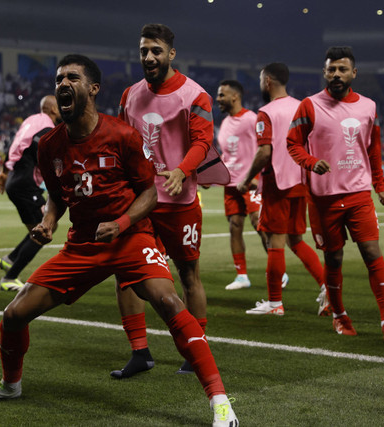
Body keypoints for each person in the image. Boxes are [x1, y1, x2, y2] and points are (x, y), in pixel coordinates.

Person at [0, 54, 238, 426]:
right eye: (59, 78)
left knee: (169, 301)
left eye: (72, 77)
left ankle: (220, 401)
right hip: (82, 245)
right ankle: (10, 385)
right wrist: (48, 222)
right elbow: (58, 196)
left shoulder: (123, 135)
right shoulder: (49, 146)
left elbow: (150, 194)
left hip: (130, 238)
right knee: (13, 314)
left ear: (92, 89)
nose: (62, 83)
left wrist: (122, 222)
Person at [111, 23, 230, 378]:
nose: (149, 57)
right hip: (141, 200)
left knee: (188, 275)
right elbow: (122, 141)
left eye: (156, 51)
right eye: (144, 50)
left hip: (180, 203)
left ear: (171, 54)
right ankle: (139, 352)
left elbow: (202, 141)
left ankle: (196, 348)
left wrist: (181, 171)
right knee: (126, 275)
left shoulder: (195, 95)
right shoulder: (130, 95)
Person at [287, 46, 384, 343]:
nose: (336, 74)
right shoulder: (309, 105)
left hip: (358, 194)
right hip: (323, 198)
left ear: (354, 73)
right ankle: (339, 316)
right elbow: (293, 144)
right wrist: (311, 162)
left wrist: (379, 185)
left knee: (372, 254)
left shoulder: (368, 106)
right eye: (331, 69)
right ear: (324, 72)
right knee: (334, 259)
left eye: (342, 69)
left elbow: (373, 149)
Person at [237, 62, 327, 316]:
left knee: (275, 242)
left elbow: (265, 152)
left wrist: (246, 178)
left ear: (267, 82)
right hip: (301, 181)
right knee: (296, 240)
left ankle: (275, 303)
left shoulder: (266, 112)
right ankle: (327, 287)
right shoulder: (303, 107)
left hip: (278, 183)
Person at [0, 95, 61, 291]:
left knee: (40, 226)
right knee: (47, 228)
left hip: (15, 179)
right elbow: (41, 151)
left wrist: (5, 172)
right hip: (25, 183)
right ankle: (10, 277)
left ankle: (11, 259)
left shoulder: (30, 121)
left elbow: (13, 147)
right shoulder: (46, 127)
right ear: (53, 109)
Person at [215, 79, 274, 290]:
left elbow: (266, 147)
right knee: (235, 227)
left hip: (250, 182)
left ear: (235, 96)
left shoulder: (252, 119)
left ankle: (278, 270)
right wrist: (212, 175)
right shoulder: (224, 123)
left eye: (222, 95)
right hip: (230, 184)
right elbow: (227, 154)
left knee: (259, 223)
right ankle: (241, 275)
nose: (218, 98)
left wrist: (258, 177)